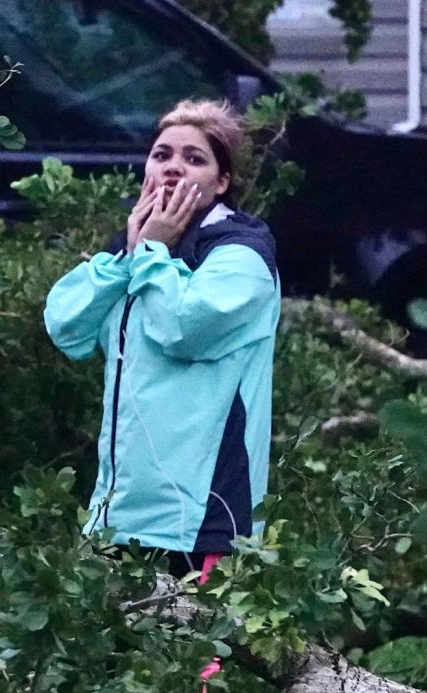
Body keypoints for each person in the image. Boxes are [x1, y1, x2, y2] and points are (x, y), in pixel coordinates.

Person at [43, 99, 281, 583]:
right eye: (162, 154)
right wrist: (130, 256)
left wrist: (151, 251)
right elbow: (65, 326)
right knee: (111, 658)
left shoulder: (242, 255)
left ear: (221, 182)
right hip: (120, 515)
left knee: (200, 661)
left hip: (204, 522)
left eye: (195, 158)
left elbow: (182, 329)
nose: (174, 166)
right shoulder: (136, 251)